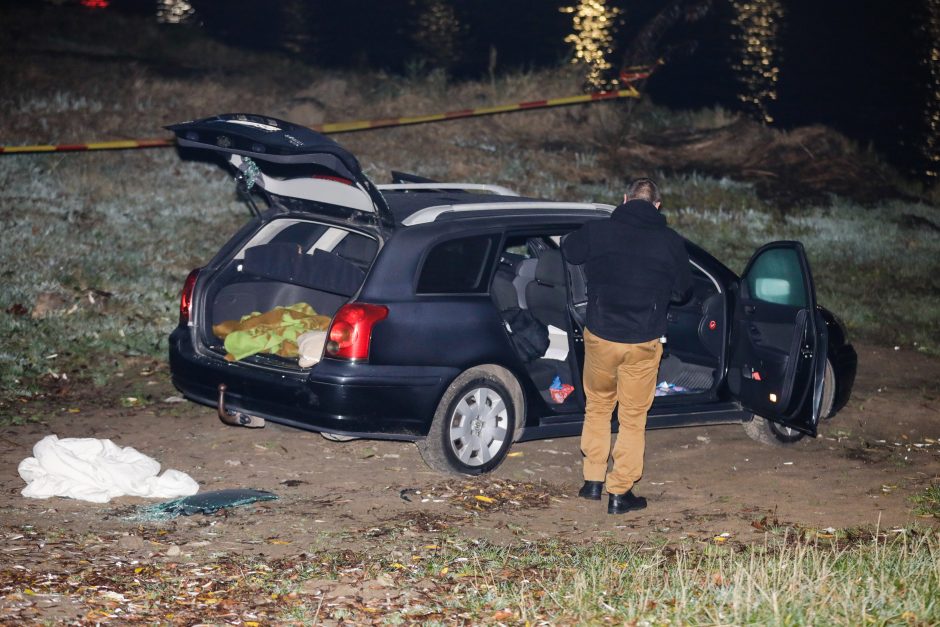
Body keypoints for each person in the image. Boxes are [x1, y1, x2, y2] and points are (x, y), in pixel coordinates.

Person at [562, 178, 691, 515]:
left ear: (624, 199)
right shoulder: (670, 242)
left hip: (602, 336)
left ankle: (592, 481)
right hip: (642, 342)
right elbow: (683, 292)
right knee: (632, 417)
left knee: (598, 406)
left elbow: (569, 248)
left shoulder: (598, 232)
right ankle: (620, 492)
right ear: (658, 205)